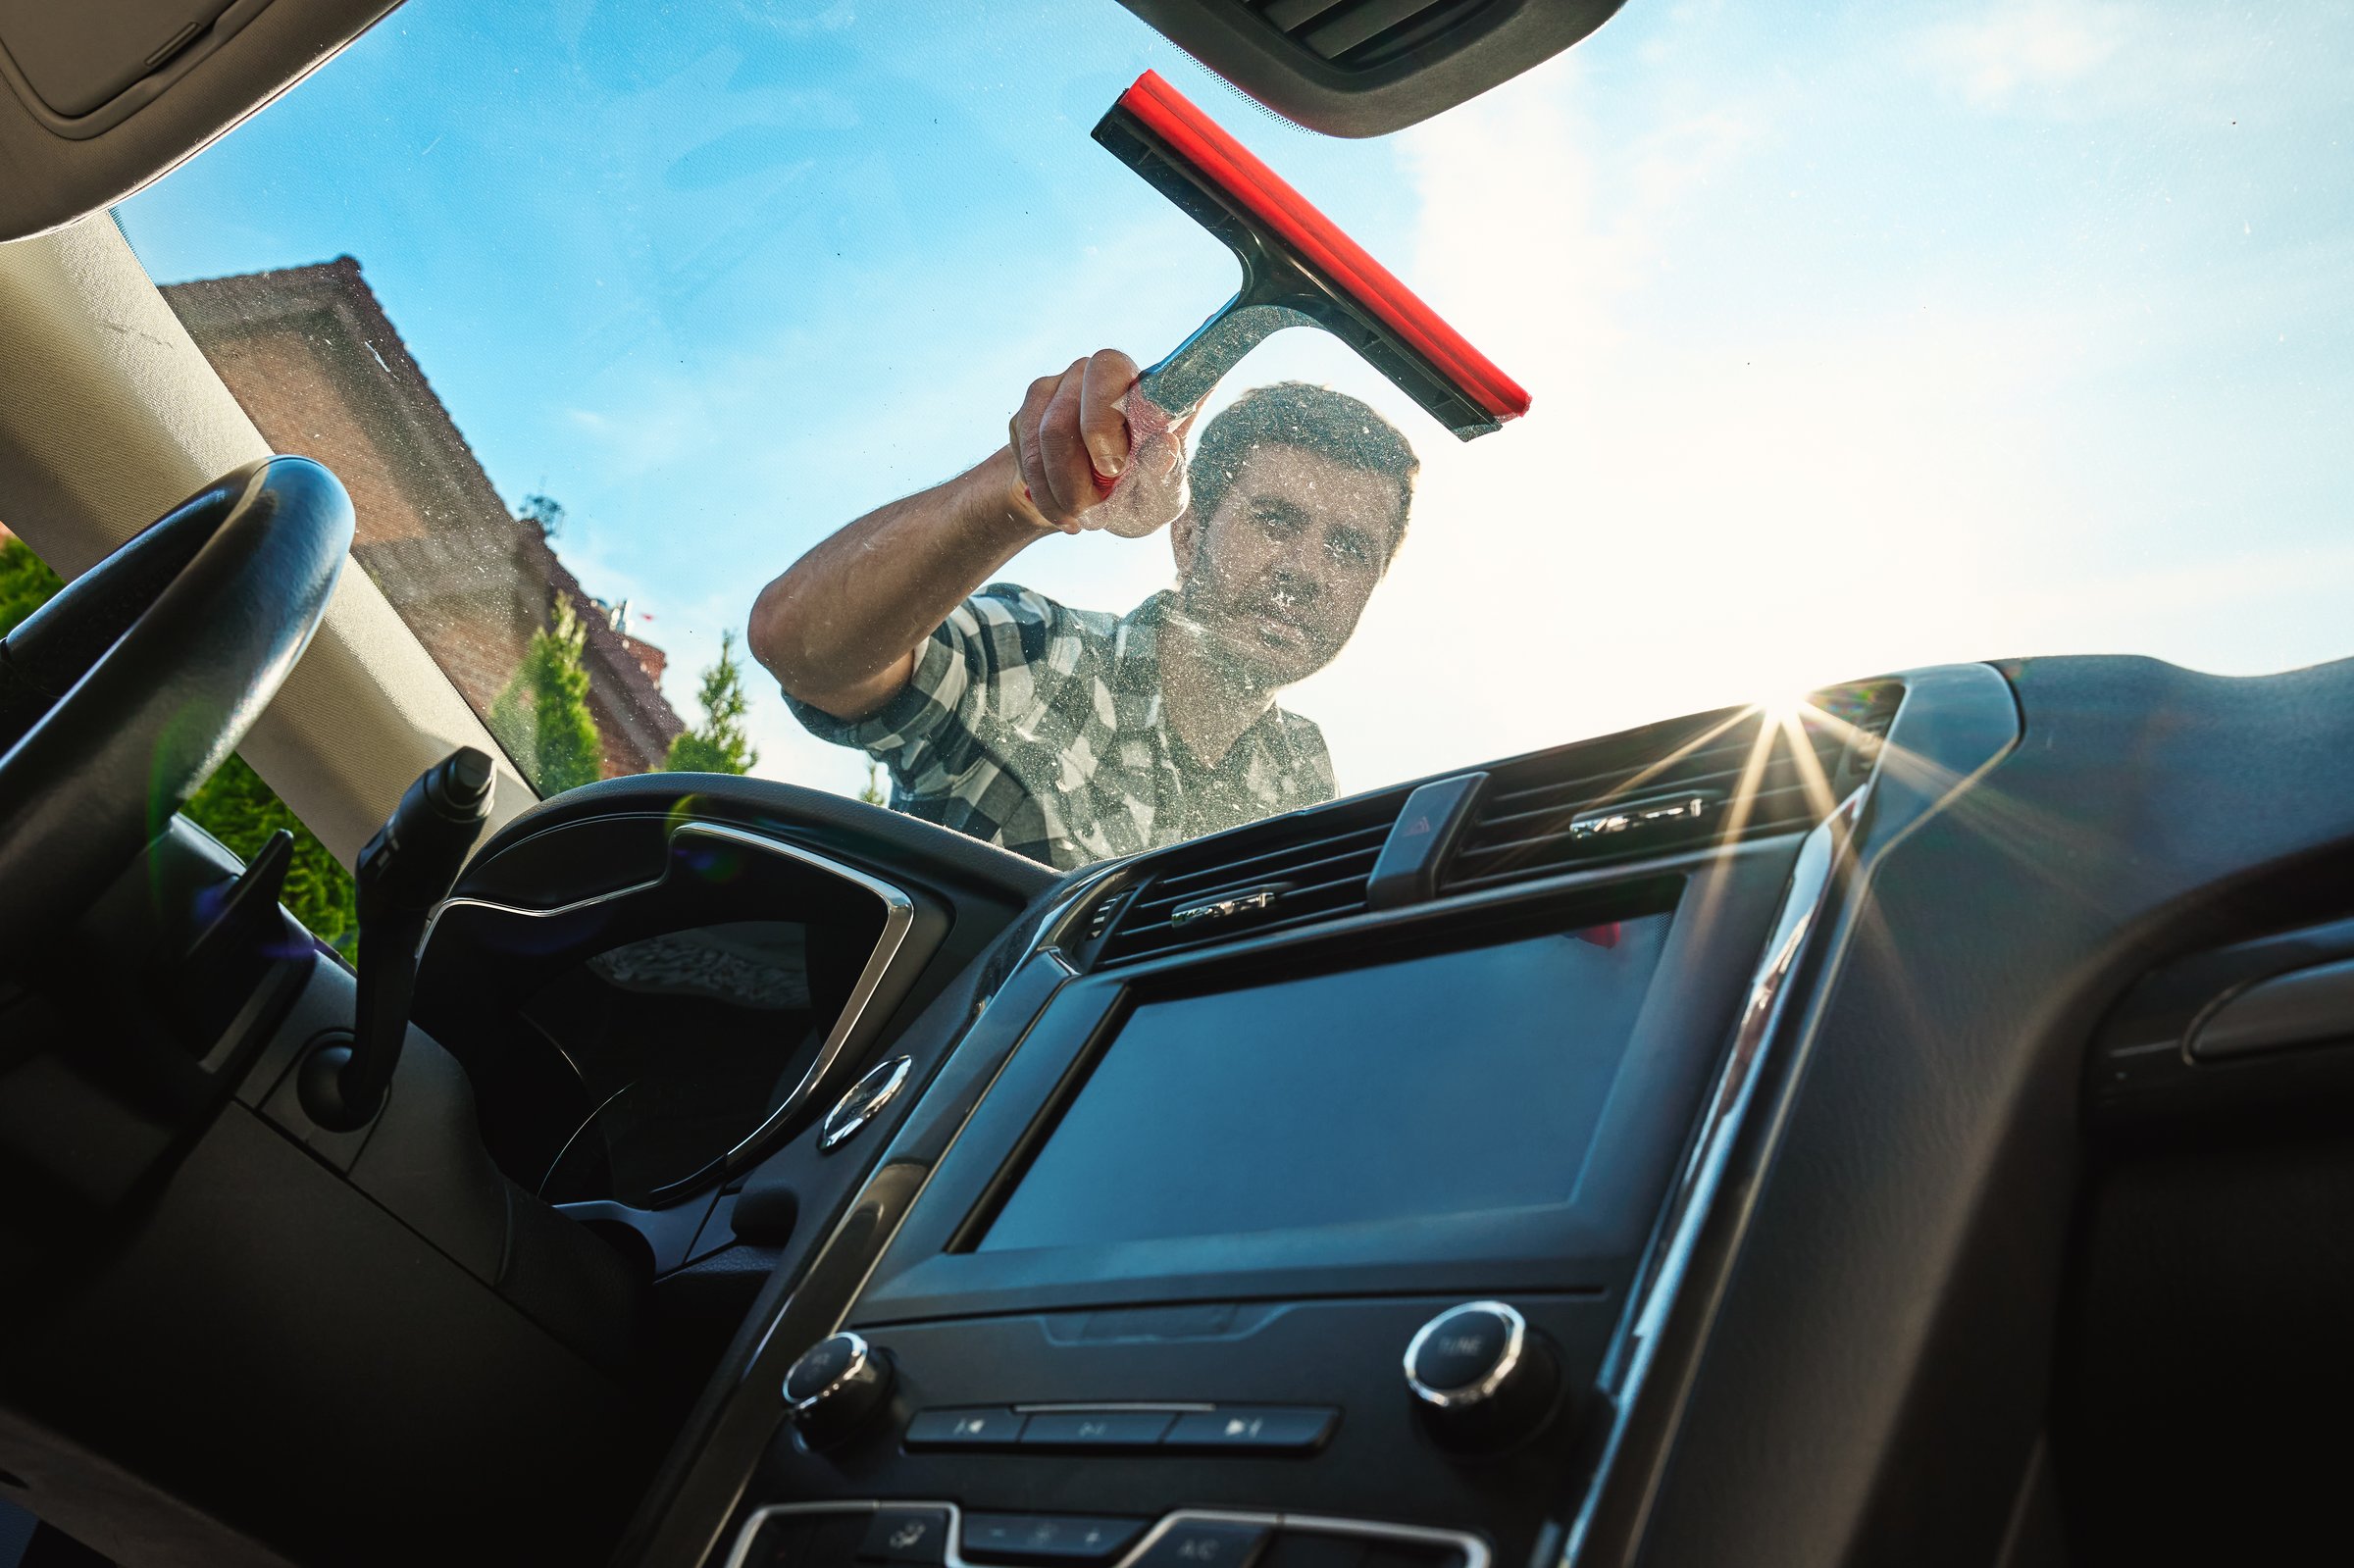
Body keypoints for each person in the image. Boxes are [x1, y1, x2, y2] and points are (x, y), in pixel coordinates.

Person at [748, 348, 1418, 870]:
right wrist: (1033, 483)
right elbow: (799, 643)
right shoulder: (1038, 654)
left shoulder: (1302, 772)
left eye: (1349, 548)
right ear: (1188, 537)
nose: (1305, 570)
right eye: (1274, 520)